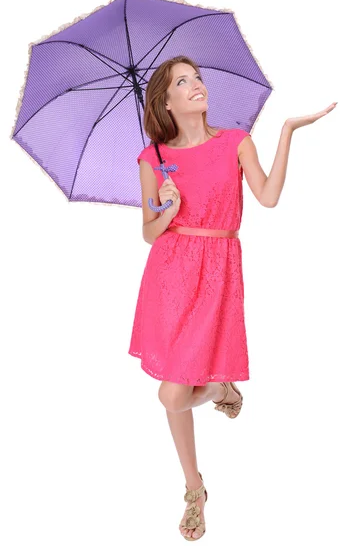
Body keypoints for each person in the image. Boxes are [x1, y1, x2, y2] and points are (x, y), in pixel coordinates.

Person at [128, 55, 337, 540]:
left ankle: (221, 390)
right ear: (166, 100)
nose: (197, 85)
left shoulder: (236, 142)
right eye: (184, 82)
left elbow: (266, 196)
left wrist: (286, 132)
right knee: (173, 390)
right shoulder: (152, 158)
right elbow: (148, 233)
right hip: (171, 274)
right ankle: (194, 487)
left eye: (198, 77)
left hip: (218, 270)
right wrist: (169, 207)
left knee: (173, 392)